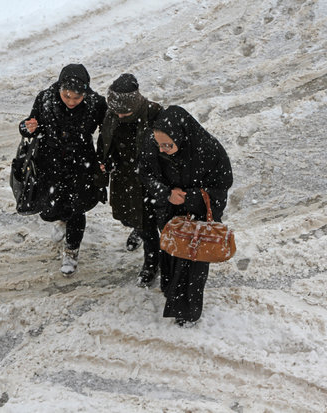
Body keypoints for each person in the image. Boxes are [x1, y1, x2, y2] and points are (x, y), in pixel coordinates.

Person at [140, 105, 233, 326]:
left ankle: (187, 312)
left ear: (181, 137)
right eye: (158, 144)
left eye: (167, 145)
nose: (161, 150)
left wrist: (190, 198)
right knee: (171, 254)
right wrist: (166, 193)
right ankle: (170, 292)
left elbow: (221, 187)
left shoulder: (209, 150)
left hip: (197, 219)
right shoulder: (154, 143)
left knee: (193, 263)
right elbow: (145, 173)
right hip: (170, 214)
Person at [18, 64, 107, 275]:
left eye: (77, 98)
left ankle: (72, 250)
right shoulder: (45, 99)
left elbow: (108, 132)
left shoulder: (96, 104)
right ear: (60, 88)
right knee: (51, 207)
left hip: (81, 164)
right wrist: (26, 127)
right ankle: (61, 219)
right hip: (50, 164)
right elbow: (31, 124)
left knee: (77, 208)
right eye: (67, 96)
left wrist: (104, 159)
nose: (71, 101)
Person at [98, 73, 163, 287]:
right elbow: (105, 137)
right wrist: (105, 160)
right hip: (123, 175)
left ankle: (152, 264)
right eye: (116, 111)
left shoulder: (153, 112)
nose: (120, 115)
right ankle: (138, 228)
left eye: (124, 111)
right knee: (128, 214)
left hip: (147, 179)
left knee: (149, 222)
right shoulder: (112, 113)